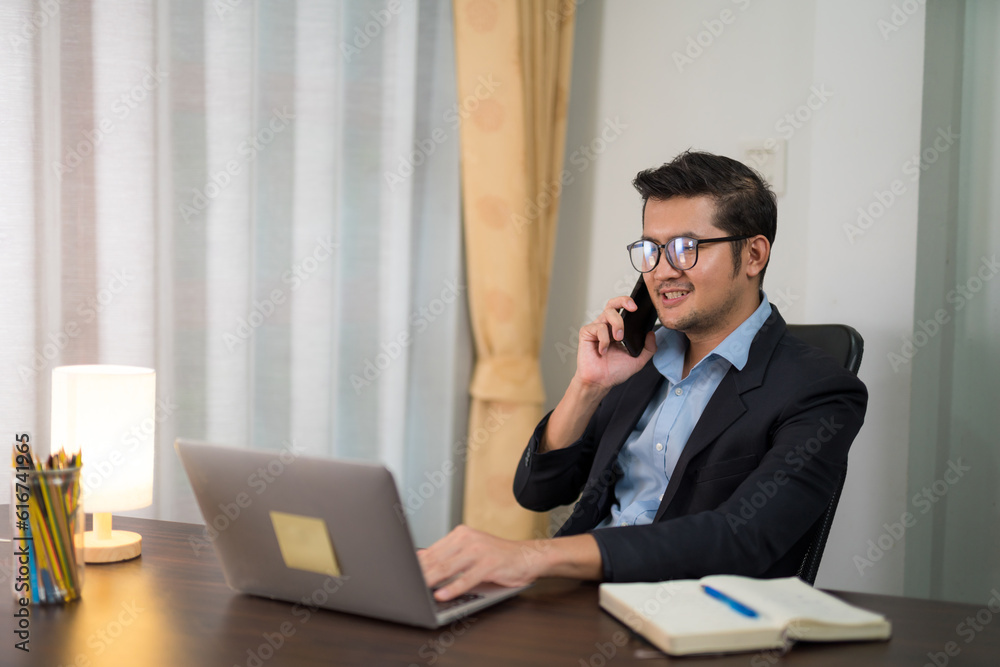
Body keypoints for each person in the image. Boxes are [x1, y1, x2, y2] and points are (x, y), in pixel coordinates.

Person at [419, 151, 868, 601]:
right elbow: (538, 491)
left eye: (686, 248)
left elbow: (742, 538)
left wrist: (535, 556)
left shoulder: (820, 390)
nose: (662, 271)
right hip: (580, 597)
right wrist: (589, 386)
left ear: (753, 254)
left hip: (688, 616)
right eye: (651, 249)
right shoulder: (638, 360)